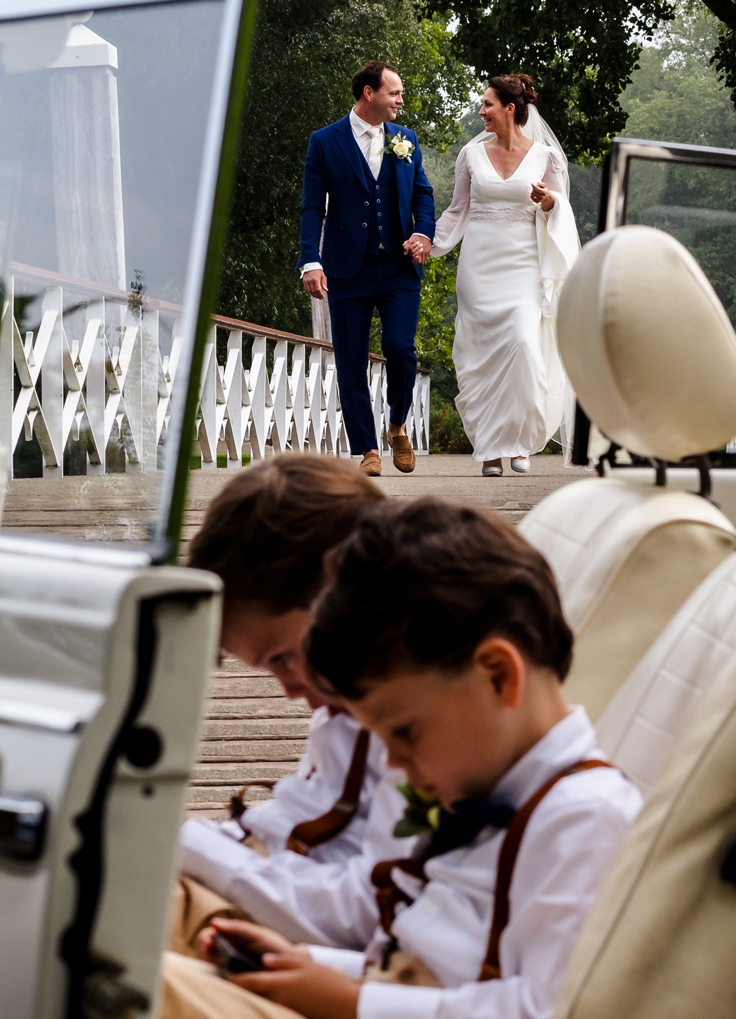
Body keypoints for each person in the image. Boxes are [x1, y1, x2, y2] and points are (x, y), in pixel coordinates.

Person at [156, 498, 645, 1019]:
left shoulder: (582, 818)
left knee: (137, 997)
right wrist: (311, 971)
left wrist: (353, 1006)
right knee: (136, 944)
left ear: (498, 673)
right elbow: (446, 965)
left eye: (403, 732)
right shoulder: (496, 785)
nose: (392, 763)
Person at [174, 455, 416, 951]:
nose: (286, 689)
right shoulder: (341, 711)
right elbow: (299, 826)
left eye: (283, 657)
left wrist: (189, 842)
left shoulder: (418, 731)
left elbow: (370, 913)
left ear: (348, 603)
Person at [430, 74, 580, 477]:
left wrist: (549, 202)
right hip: (479, 268)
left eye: (487, 105)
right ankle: (491, 449)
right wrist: (429, 242)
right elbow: (457, 210)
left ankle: (518, 442)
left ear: (510, 109)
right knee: (478, 356)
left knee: (524, 346)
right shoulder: (470, 154)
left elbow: (561, 207)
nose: (481, 111)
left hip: (524, 266)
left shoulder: (547, 157)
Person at [299, 61, 437, 478]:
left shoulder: (405, 140)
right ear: (368, 94)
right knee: (351, 361)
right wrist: (310, 259)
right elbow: (311, 207)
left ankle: (397, 425)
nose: (400, 100)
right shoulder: (324, 141)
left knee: (401, 348)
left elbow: (423, 197)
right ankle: (367, 449)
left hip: (398, 267)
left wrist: (424, 234)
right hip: (346, 269)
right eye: (394, 93)